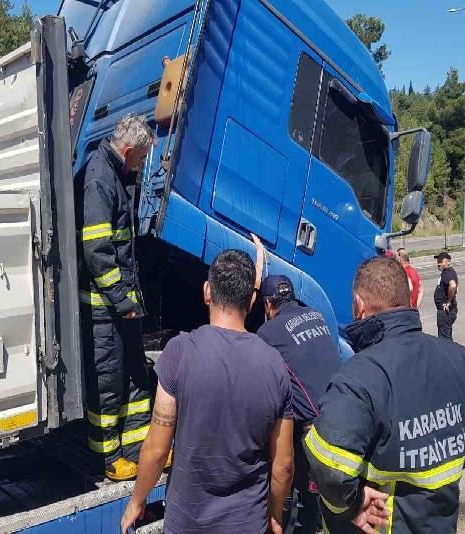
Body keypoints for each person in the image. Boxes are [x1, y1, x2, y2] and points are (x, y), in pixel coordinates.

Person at [305, 256, 465, 534]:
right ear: (408, 299)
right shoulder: (457, 357)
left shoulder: (357, 377)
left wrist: (353, 504)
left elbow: (329, 467)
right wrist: (456, 452)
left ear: (358, 305)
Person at [121, 250, 294, 534]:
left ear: (206, 291)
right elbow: (283, 465)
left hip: (187, 524)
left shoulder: (179, 352)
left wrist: (137, 501)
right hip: (247, 525)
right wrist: (275, 514)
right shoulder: (275, 365)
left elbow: (156, 448)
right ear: (252, 301)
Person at [77, 114, 156, 481]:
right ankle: (109, 461)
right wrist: (122, 300)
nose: (140, 166)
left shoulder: (114, 174)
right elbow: (97, 249)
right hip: (106, 309)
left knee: (137, 377)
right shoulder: (99, 178)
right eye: (140, 158)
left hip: (122, 305)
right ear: (127, 151)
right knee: (108, 384)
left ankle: (138, 450)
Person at [256, 274, 341, 534]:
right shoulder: (315, 314)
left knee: (307, 492)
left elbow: (261, 381)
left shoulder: (267, 332)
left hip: (313, 427)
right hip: (341, 407)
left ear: (268, 304)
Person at [433, 252, 458, 339]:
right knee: (447, 337)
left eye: (441, 261)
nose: (438, 263)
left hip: (445, 311)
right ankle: (451, 351)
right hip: (445, 310)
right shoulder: (446, 272)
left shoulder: (448, 272)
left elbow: (453, 285)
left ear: (448, 261)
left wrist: (448, 301)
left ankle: (448, 352)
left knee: (444, 339)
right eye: (438, 261)